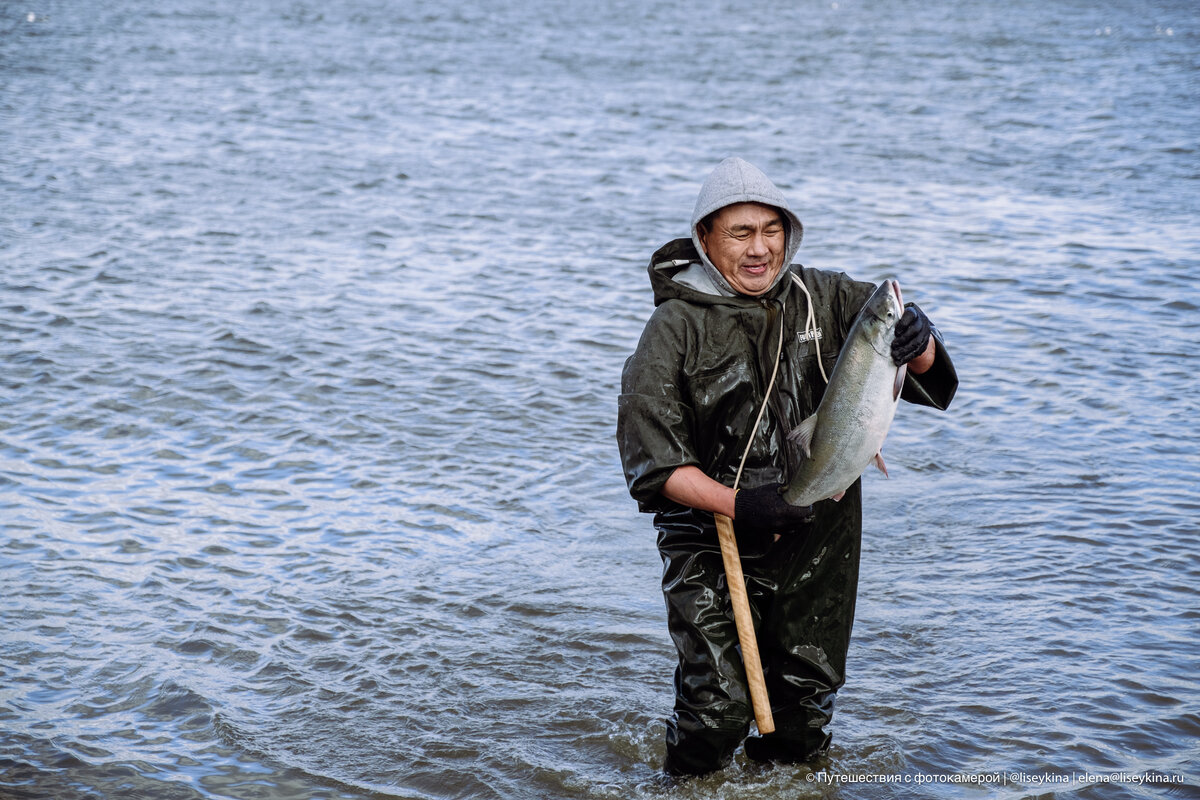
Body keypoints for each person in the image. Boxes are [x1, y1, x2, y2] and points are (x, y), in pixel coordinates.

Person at [616, 157, 958, 777]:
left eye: (770, 229)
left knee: (802, 711)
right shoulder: (671, 329)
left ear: (789, 232)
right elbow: (652, 465)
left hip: (821, 535)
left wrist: (921, 342)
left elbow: (928, 380)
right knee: (715, 709)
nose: (758, 249)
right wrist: (742, 505)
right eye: (739, 234)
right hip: (710, 538)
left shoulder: (827, 297)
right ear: (704, 240)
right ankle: (678, 790)